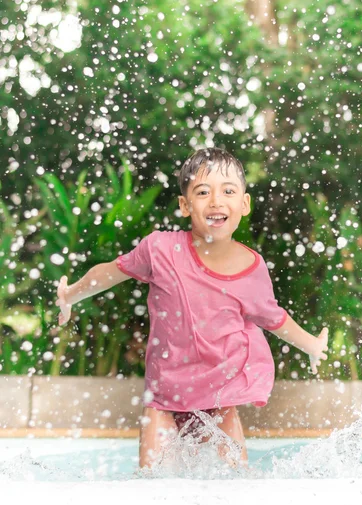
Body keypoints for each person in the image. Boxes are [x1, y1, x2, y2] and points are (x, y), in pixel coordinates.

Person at [55, 147, 329, 468]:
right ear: (185, 206)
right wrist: (70, 295)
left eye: (228, 191)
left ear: (244, 203)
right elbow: (112, 271)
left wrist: (311, 344)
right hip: (164, 402)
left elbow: (273, 317)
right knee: (152, 482)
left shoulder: (252, 269)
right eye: (203, 192)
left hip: (220, 400)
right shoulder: (161, 250)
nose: (216, 200)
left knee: (238, 479)